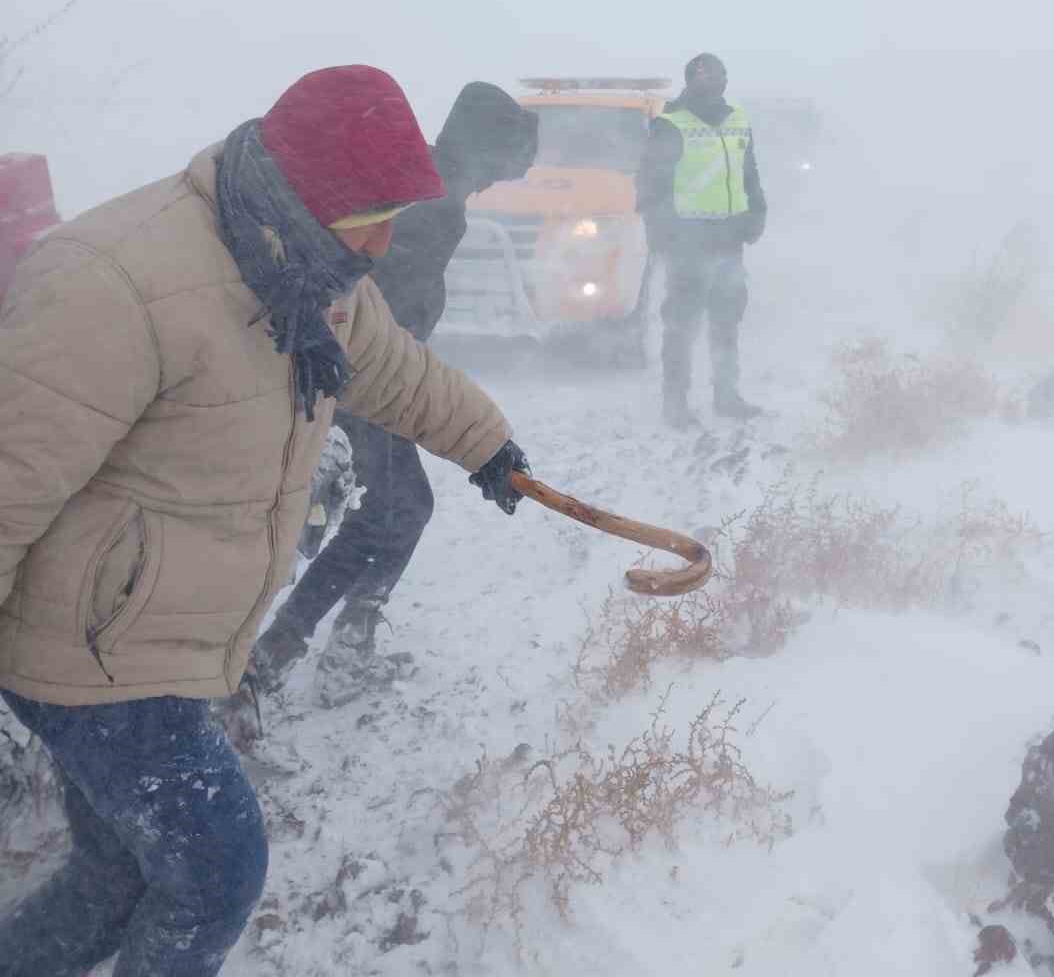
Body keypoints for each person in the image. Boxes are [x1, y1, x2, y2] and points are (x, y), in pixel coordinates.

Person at [0, 65, 530, 977]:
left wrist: (486, 443)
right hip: (89, 648)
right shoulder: (118, 280)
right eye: (374, 214)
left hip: (153, 632)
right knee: (216, 869)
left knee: (117, 871)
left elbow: (393, 370)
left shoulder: (306, 265)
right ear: (314, 191)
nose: (387, 240)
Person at [252, 82, 538, 706]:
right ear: (483, 151)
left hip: (359, 376)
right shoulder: (434, 203)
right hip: (357, 380)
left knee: (389, 511)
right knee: (392, 511)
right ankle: (285, 656)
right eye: (500, 167)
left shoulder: (435, 184)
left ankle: (309, 649)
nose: (496, 184)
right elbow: (375, 306)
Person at [636, 53, 767, 428]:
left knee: (727, 319)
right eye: (703, 78)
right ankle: (674, 404)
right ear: (690, 81)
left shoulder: (737, 119)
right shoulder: (670, 124)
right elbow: (649, 186)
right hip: (687, 242)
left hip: (730, 239)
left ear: (726, 80)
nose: (711, 84)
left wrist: (757, 212)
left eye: (718, 77)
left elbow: (750, 173)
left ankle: (726, 395)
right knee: (681, 323)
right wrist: (663, 236)